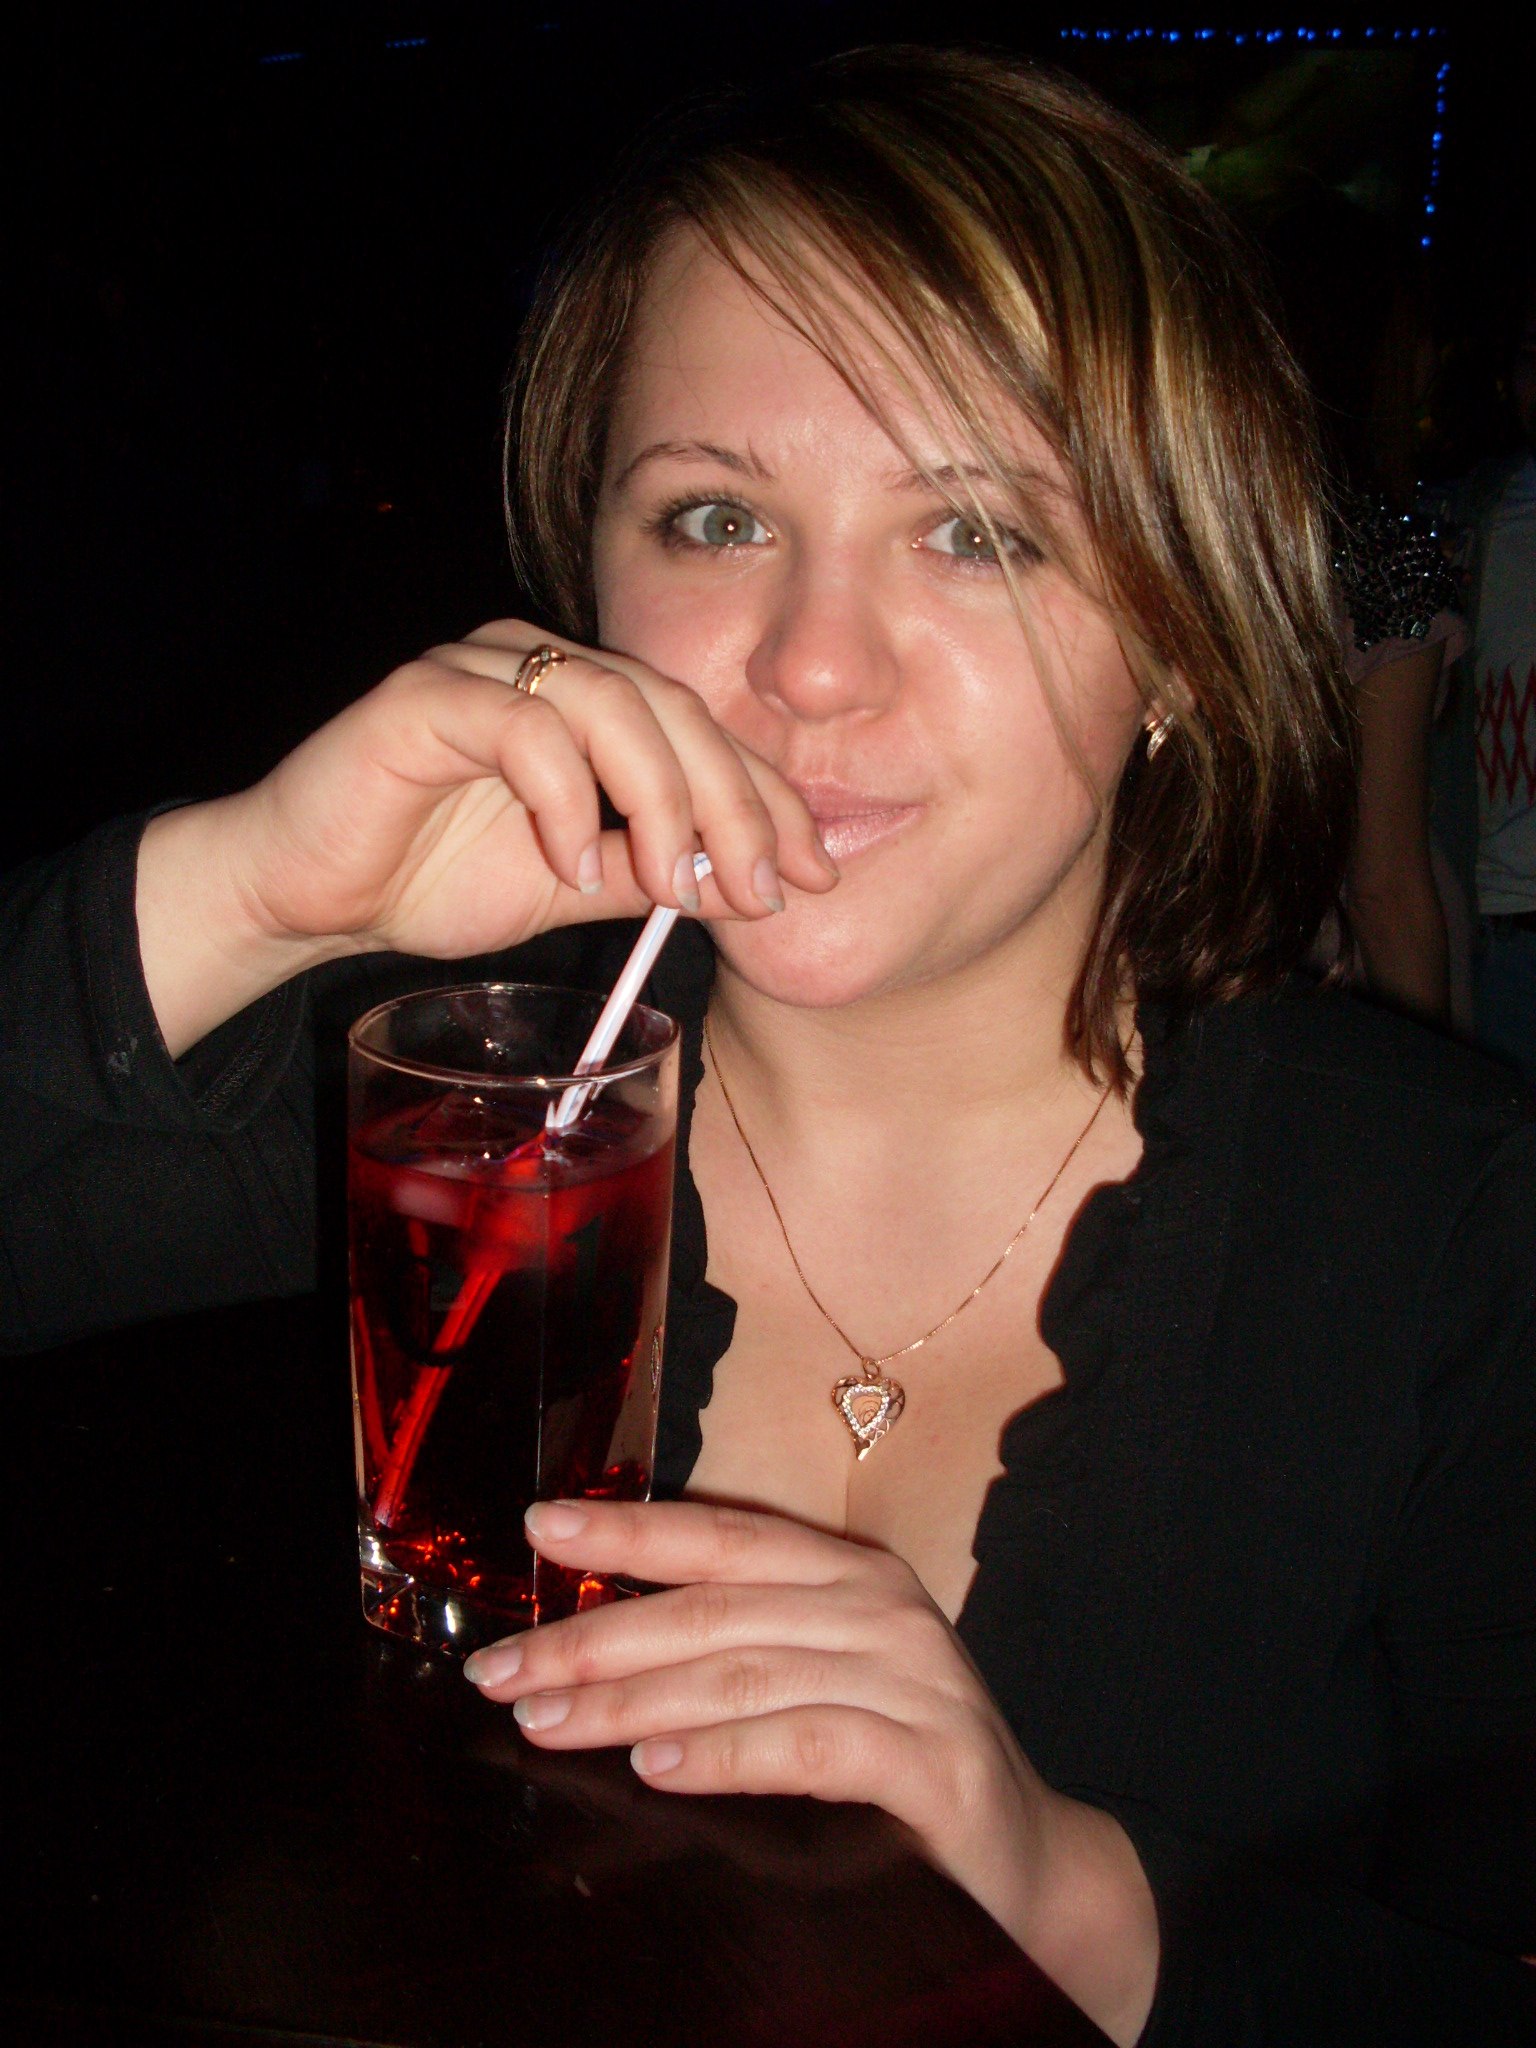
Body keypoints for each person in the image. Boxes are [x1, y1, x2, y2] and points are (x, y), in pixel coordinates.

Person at [2, 49, 1532, 2047]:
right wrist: (244, 898)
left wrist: (1078, 1894)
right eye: (715, 516)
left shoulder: (1460, 1237)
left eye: (976, 534)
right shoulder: (428, 1136)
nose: (810, 665)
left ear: (1175, 630)